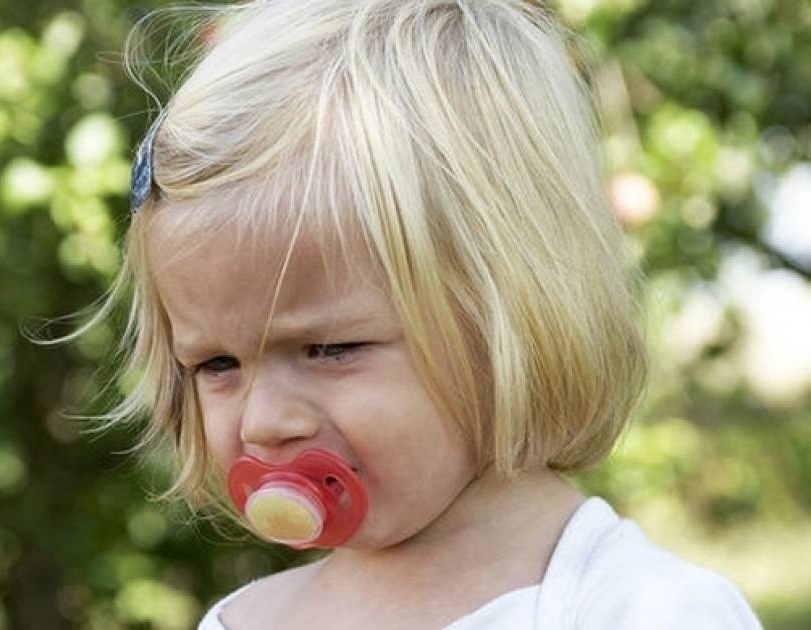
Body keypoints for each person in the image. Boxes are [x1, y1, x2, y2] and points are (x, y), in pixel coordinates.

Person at [95, 0, 764, 627]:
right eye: (216, 363)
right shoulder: (245, 621)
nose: (264, 422)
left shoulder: (635, 609)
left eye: (329, 349)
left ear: (509, 313)